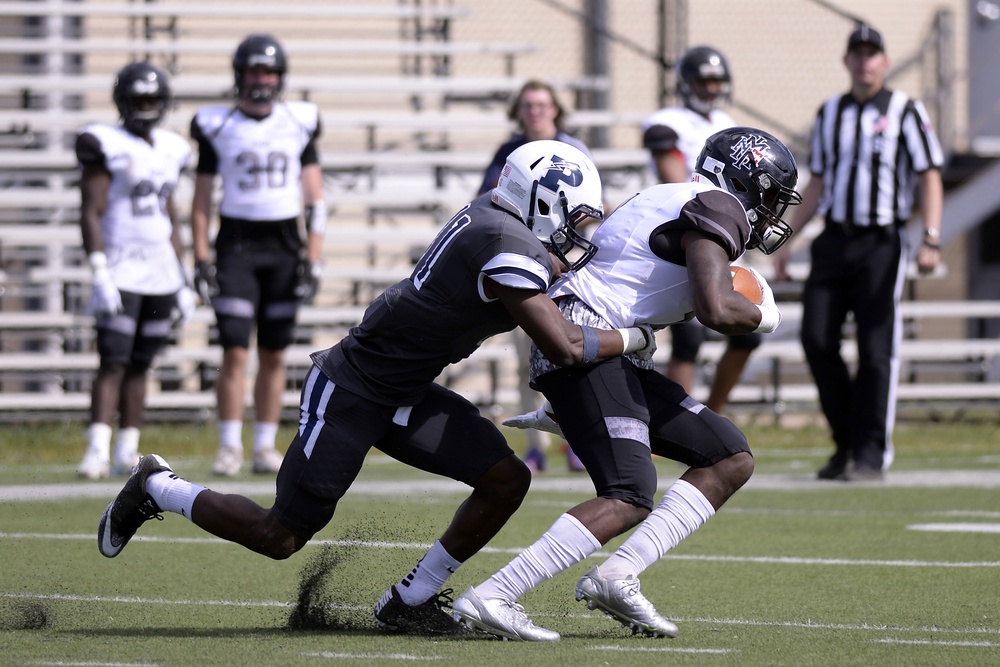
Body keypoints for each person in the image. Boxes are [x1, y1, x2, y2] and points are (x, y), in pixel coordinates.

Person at [96, 141, 658, 636]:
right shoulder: (504, 242)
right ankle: (158, 486)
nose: (577, 234)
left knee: (505, 479)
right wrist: (637, 334)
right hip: (353, 387)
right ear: (542, 200)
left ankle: (410, 600)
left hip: (405, 389)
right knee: (280, 536)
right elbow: (562, 343)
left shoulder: (498, 218)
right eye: (576, 219)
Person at [452, 127, 801, 641]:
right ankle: (494, 594)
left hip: (609, 348)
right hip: (588, 344)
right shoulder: (718, 205)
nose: (772, 213)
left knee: (729, 456)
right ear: (744, 182)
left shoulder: (673, 195)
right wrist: (762, 314)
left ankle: (618, 575)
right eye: (770, 196)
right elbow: (715, 310)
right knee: (630, 492)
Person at [773, 25, 944, 482]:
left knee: (875, 350)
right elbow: (817, 184)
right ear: (847, 61)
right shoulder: (830, 113)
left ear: (884, 62)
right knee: (815, 337)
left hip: (881, 242)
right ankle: (845, 441)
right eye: (857, 54)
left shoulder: (906, 111)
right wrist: (787, 239)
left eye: (872, 54)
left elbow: (929, 174)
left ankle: (869, 453)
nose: (865, 62)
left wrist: (931, 236)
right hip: (834, 241)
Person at [190, 34, 327, 477]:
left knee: (274, 351)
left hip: (285, 246)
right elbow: (201, 199)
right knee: (233, 349)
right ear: (239, 75)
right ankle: (230, 444)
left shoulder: (298, 121)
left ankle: (264, 446)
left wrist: (315, 255)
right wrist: (199, 255)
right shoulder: (218, 124)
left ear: (280, 77)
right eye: (253, 71)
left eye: (268, 72)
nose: (261, 80)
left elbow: (315, 198)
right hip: (237, 246)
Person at [75, 61, 194, 479]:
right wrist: (99, 270)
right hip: (121, 269)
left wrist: (183, 277)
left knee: (142, 362)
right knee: (113, 360)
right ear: (124, 101)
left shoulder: (172, 147)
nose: (146, 107)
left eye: (152, 99)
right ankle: (95, 448)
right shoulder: (104, 142)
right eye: (139, 99)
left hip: (160, 271)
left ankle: (128, 449)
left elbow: (169, 213)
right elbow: (91, 211)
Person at [478, 79, 594, 474]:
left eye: (542, 104)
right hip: (522, 265)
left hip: (565, 266)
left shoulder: (572, 150)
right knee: (529, 359)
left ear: (556, 109)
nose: (536, 111)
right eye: (528, 104)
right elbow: (490, 201)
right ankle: (535, 446)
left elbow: (593, 207)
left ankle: (576, 441)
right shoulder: (508, 152)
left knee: (569, 354)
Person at [642, 45, 760, 414]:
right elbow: (674, 179)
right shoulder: (667, 120)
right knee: (688, 338)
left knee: (746, 337)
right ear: (686, 83)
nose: (711, 88)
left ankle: (715, 414)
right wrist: (707, 216)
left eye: (717, 80)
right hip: (686, 232)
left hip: (727, 238)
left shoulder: (728, 123)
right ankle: (676, 425)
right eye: (704, 80)